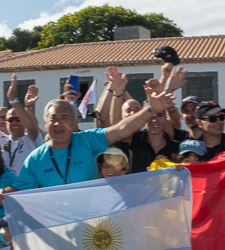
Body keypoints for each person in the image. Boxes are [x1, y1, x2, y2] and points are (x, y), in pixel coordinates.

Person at [11, 75, 167, 190]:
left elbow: (122, 130)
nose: (58, 123)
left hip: (91, 227)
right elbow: (19, 191)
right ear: (45, 123)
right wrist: (1, 194)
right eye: (53, 118)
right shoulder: (35, 158)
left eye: (64, 117)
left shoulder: (88, 140)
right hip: (57, 228)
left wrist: (151, 110)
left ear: (73, 123)